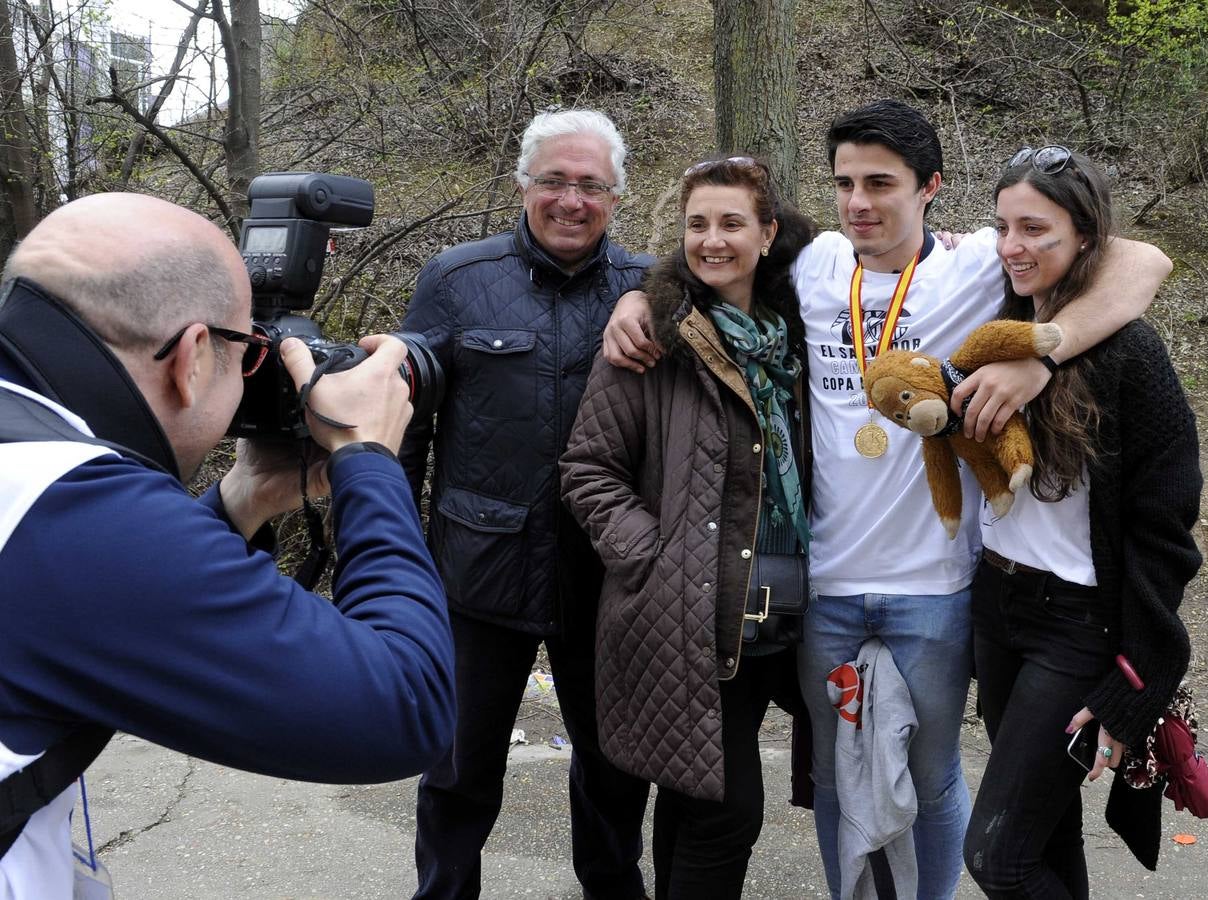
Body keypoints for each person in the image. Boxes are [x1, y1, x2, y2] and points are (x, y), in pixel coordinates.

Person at [602, 99, 1174, 900]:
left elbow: (1141, 262)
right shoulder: (811, 262)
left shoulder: (980, 264)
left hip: (937, 587)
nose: (859, 202)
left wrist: (1042, 358)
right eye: (844, 183)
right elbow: (703, 260)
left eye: (881, 183)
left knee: (929, 779)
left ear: (930, 186)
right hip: (826, 586)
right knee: (840, 784)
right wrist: (638, 300)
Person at [0, 193, 456, 898]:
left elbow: (100, 601)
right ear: (189, 358)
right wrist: (367, 457)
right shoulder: (70, 508)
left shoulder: (33, 468)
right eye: (246, 354)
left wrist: (244, 499)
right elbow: (406, 705)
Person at [398, 108, 651, 900]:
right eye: (553, 181)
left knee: (614, 767)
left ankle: (612, 889)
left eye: (590, 185)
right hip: (477, 570)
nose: (571, 199)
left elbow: (765, 271)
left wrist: (950, 245)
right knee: (458, 767)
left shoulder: (653, 290)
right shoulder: (457, 279)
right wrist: (395, 551)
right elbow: (404, 421)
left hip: (607, 574)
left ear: (617, 197)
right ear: (521, 186)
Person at [560, 155, 815, 899]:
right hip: (692, 611)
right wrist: (655, 555)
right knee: (725, 811)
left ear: (768, 234)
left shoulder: (804, 336)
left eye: (732, 223)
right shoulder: (652, 340)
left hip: (794, 609)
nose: (712, 240)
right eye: (697, 224)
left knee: (695, 800)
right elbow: (587, 469)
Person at [961, 146, 1201, 898]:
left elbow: (1165, 528)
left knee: (997, 856)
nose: (1011, 247)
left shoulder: (1130, 353)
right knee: (1044, 834)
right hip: (997, 611)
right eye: (1002, 226)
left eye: (1035, 228)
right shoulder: (997, 320)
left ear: (1087, 239)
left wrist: (1142, 676)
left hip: (1076, 628)